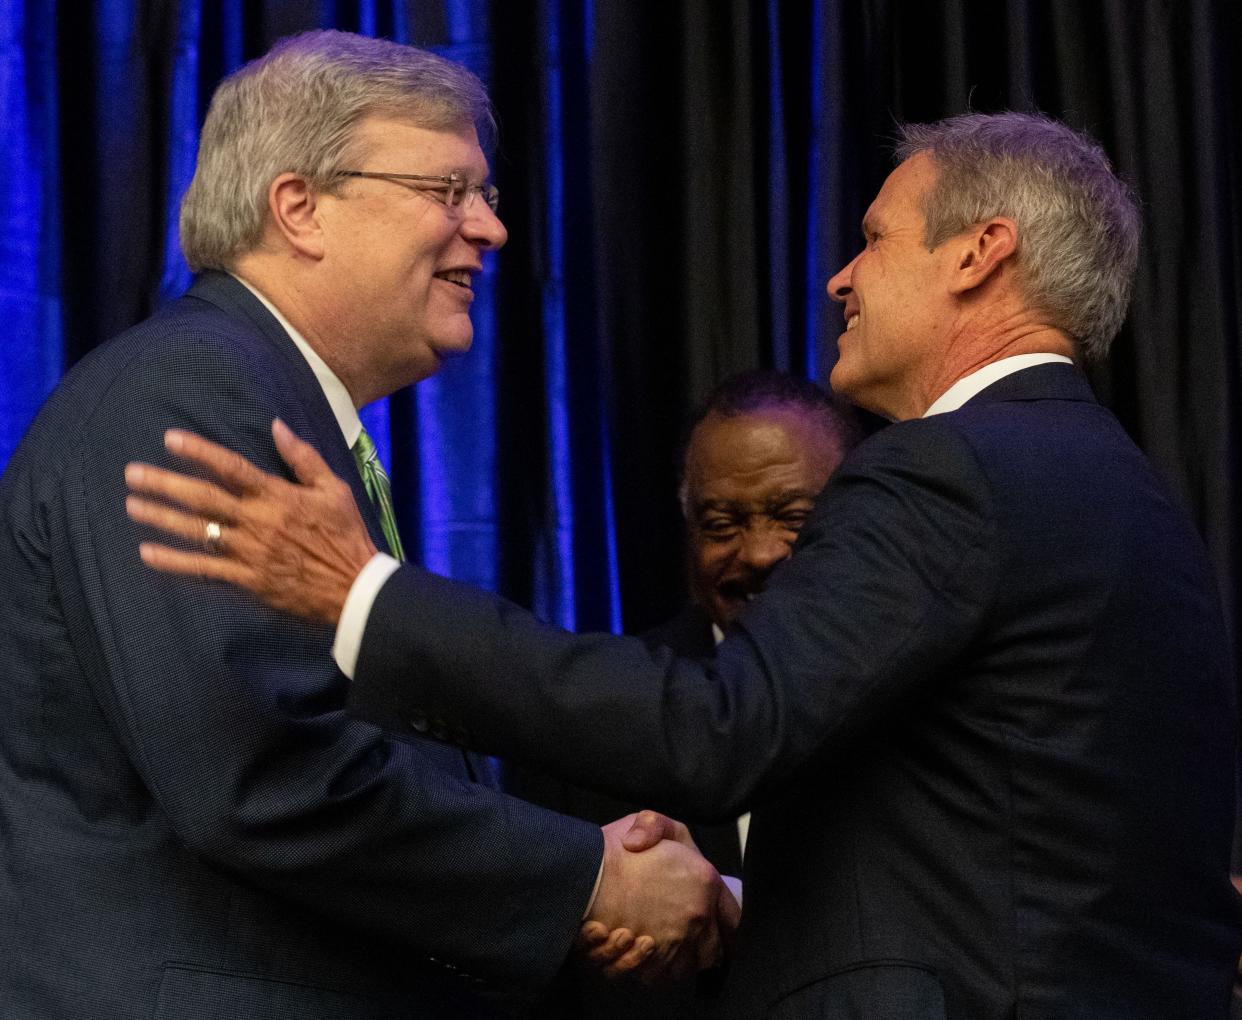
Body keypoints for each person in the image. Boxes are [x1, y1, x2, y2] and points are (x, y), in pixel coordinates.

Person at [125, 112, 1242, 1017]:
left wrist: (362, 592)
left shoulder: (951, 469)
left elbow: (719, 733)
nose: (841, 280)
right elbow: (1005, 858)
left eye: (875, 238)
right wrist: (745, 902)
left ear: (980, 251)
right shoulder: (1133, 500)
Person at [0, 30, 736, 1020]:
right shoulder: (188, 391)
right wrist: (584, 879)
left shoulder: (261, 398)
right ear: (299, 208)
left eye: (488, 196)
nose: (490, 230)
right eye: (447, 192)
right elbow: (256, 770)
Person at [507, 370, 856, 1017]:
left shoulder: (917, 698)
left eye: (792, 518)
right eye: (722, 523)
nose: (758, 554)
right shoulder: (597, 722)